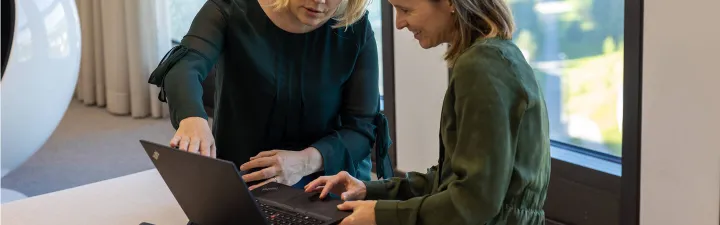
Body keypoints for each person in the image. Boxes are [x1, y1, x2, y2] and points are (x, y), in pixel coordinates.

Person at [304, 0, 552, 223]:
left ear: (450, 3)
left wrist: (381, 215)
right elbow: (452, 179)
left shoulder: (482, 67)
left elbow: (474, 202)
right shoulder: (497, 56)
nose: (399, 23)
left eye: (405, 10)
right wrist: (369, 190)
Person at [148, 0, 394, 190]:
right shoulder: (231, 8)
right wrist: (192, 117)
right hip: (247, 174)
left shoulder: (355, 25)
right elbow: (185, 65)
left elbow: (361, 128)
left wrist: (305, 161)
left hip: (326, 176)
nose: (320, 1)